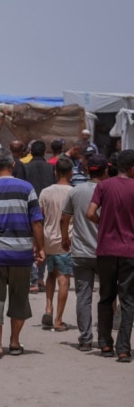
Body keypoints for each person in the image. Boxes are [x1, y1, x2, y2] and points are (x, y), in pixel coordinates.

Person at [0, 148, 45, 359]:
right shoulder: (27, 189)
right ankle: (14, 342)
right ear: (13, 165)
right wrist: (40, 248)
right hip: (21, 254)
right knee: (20, 298)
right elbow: (36, 221)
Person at [87, 149, 134, 362]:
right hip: (129, 251)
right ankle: (123, 348)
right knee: (128, 300)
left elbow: (90, 213)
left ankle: (105, 343)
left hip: (105, 250)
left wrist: (103, 224)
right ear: (132, 169)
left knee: (106, 297)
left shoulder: (103, 186)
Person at [61, 153, 107, 351]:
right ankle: (105, 340)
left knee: (83, 296)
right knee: (106, 296)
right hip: (106, 251)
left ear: (87, 170)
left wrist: (65, 238)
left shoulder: (76, 191)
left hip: (80, 251)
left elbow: (65, 218)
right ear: (105, 170)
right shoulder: (110, 190)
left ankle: (86, 339)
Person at [39, 158, 75, 332]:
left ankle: (48, 307)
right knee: (64, 280)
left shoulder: (45, 192)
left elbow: (39, 217)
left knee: (51, 274)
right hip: (65, 241)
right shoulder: (73, 192)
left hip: (47, 239)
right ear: (71, 173)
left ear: (55, 172)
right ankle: (58, 320)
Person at [23, 140, 56, 293]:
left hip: (29, 211)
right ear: (44, 152)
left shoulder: (25, 168)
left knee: (32, 245)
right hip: (47, 211)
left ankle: (33, 279)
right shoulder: (51, 168)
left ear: (31, 152)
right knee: (43, 244)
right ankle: (40, 277)